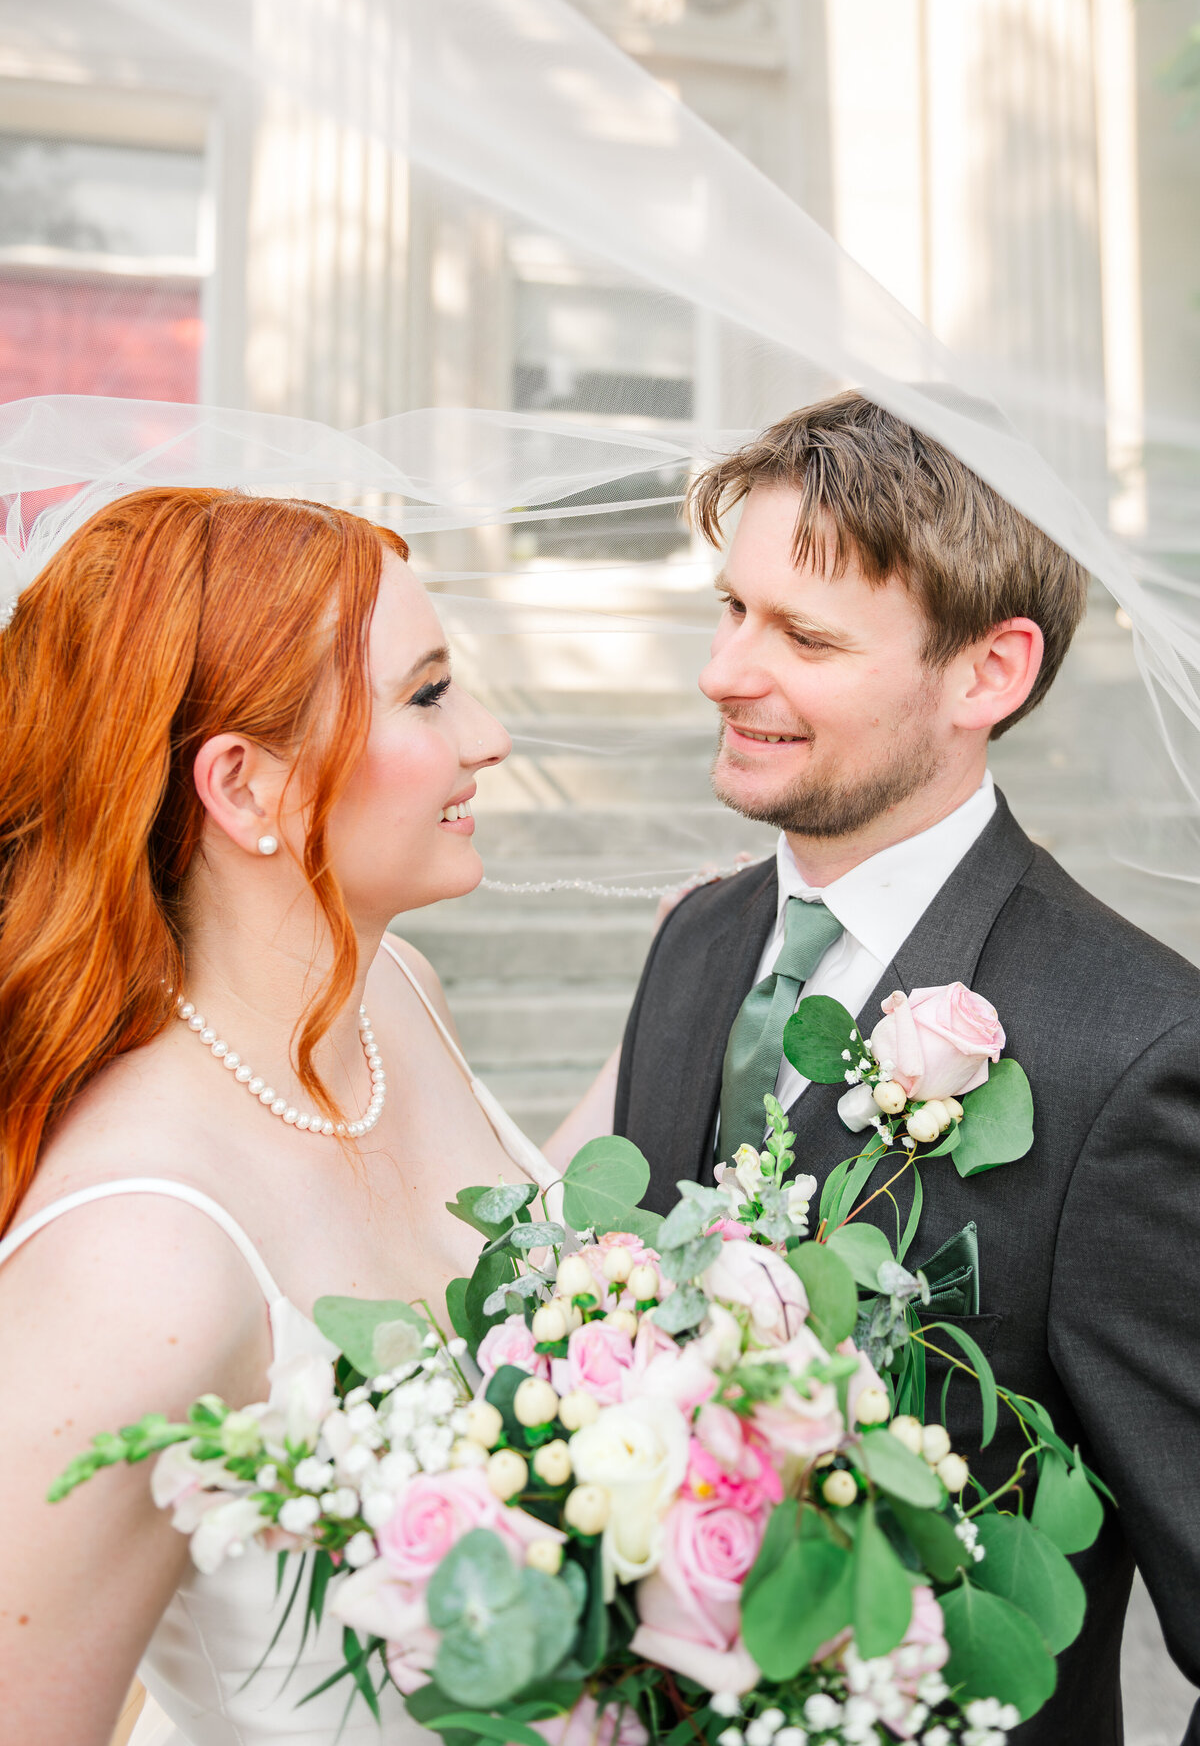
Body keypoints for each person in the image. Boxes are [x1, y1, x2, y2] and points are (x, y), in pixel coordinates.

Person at [608, 395, 1200, 1746]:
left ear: (987, 674)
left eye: (802, 637)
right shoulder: (696, 944)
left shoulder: (1140, 1052)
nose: (723, 671)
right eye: (731, 609)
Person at [0, 487, 556, 1746]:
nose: (492, 736)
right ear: (243, 787)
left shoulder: (397, 1000)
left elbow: (470, 1296)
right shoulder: (138, 1266)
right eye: (426, 695)